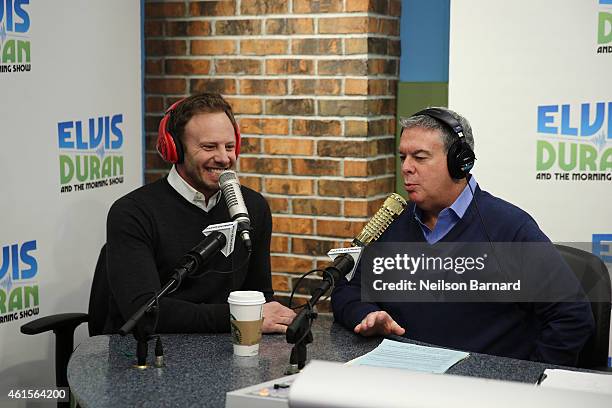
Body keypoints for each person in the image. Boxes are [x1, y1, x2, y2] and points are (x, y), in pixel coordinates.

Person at [331, 107, 595, 366]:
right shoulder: (392, 222)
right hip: (403, 382)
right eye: (403, 157)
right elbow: (348, 288)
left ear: (460, 162)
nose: (407, 168)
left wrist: (526, 381)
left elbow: (572, 317)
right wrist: (366, 314)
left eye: (420, 157)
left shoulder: (510, 228)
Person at [104, 93, 295, 334]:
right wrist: (241, 318)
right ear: (174, 149)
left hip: (228, 345)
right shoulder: (132, 213)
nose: (224, 158)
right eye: (209, 147)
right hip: (150, 352)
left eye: (229, 146)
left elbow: (259, 298)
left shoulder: (252, 207)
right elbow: (144, 311)